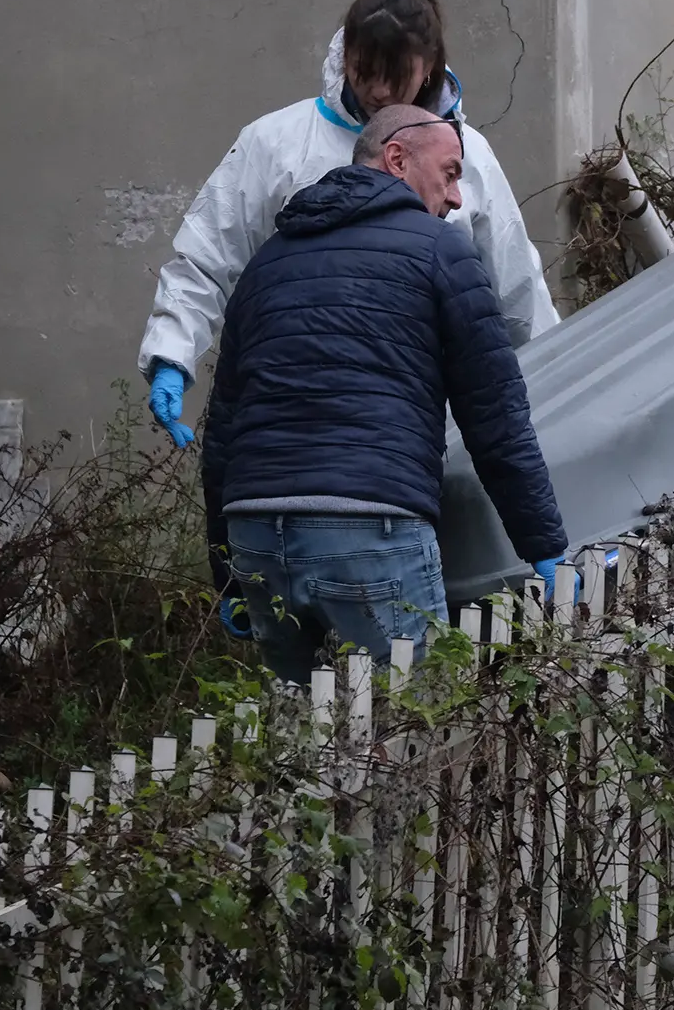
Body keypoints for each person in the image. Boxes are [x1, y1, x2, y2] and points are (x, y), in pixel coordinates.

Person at [200, 104, 568, 681]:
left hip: (256, 534)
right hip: (372, 530)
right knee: (407, 736)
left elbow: (223, 428)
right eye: (450, 173)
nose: (456, 198)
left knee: (302, 738)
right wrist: (545, 547)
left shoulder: (266, 264)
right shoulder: (442, 252)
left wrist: (226, 572)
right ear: (397, 158)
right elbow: (496, 419)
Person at [141, 0, 558, 449]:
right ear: (345, 57)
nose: (379, 92)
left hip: (427, 428)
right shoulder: (276, 145)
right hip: (293, 414)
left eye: (395, 76)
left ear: (429, 68)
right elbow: (208, 257)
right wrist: (172, 353)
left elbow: (517, 296)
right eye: (365, 72)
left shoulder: (467, 159)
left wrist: (555, 394)